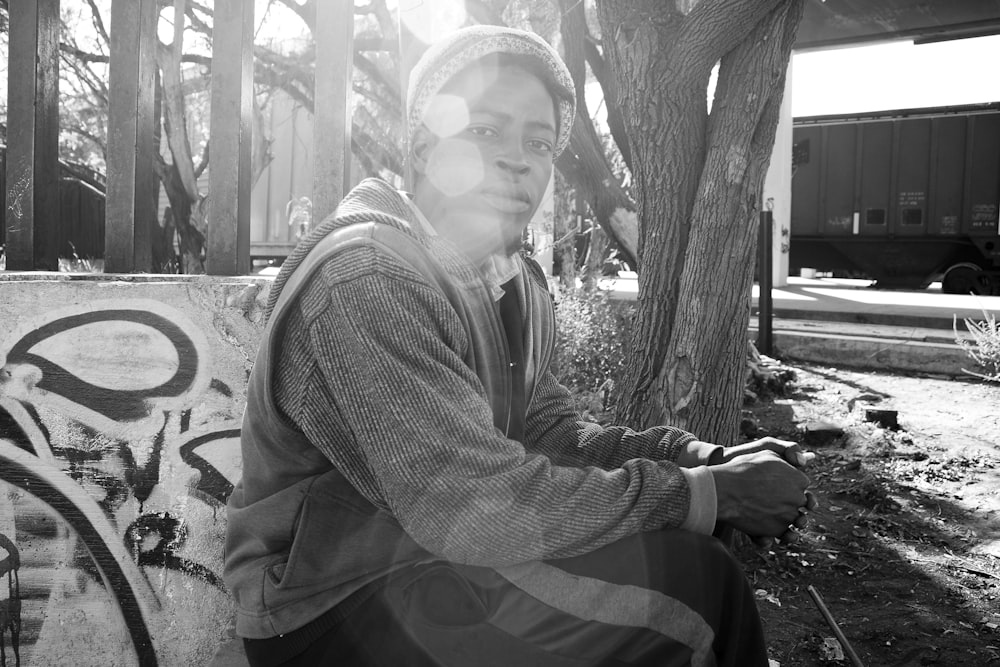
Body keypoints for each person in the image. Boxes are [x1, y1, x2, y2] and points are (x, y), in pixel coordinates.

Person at [225, 25, 816, 667]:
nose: (517, 158)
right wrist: (708, 495)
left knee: (688, 571)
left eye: (539, 142)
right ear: (423, 147)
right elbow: (472, 510)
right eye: (484, 131)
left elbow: (551, 435)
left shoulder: (512, 282)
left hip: (439, 564)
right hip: (332, 609)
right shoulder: (369, 279)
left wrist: (707, 459)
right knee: (697, 598)